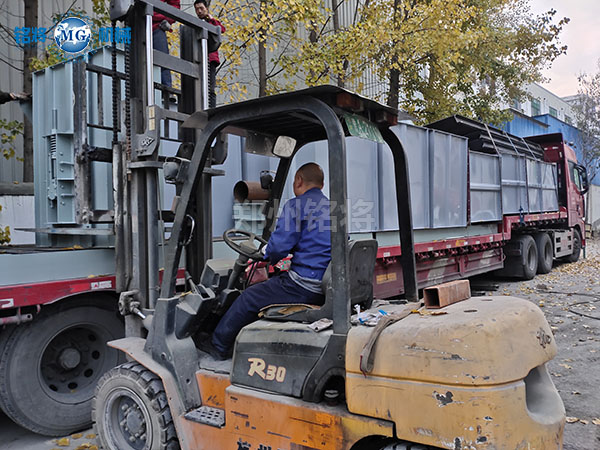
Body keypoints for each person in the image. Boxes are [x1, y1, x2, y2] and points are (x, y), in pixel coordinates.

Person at [206, 163, 331, 359]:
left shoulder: (296, 206)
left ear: (298, 180)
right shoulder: (333, 208)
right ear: (322, 184)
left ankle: (218, 346)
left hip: (304, 285)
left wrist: (267, 255)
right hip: (325, 284)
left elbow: (278, 248)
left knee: (249, 297)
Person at [194, 0, 225, 107]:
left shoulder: (212, 22)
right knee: (198, 86)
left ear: (206, 9)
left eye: (201, 8)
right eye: (197, 9)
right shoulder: (195, 24)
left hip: (210, 59)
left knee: (210, 88)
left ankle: (211, 109)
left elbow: (221, 29)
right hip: (197, 58)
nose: (199, 11)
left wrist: (211, 19)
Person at [152, 0, 180, 88]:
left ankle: (166, 91)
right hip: (134, 26)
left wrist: (165, 19)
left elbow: (175, 6)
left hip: (156, 27)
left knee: (163, 62)